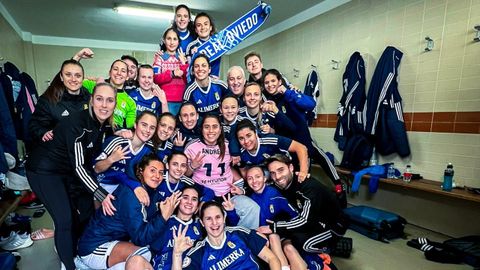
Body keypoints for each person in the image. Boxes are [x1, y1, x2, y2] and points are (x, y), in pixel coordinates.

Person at [26, 83, 116, 270]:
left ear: (115, 104)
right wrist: (101, 194)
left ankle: (76, 253)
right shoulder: (78, 124)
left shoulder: (102, 125)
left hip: (65, 171)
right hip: (44, 171)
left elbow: (86, 160)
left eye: (110, 100)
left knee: (84, 213)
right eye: (99, 99)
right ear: (91, 100)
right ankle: (68, 265)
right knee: (64, 219)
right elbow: (79, 167)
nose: (104, 105)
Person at [77, 154, 180, 269]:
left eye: (161, 173)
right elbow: (140, 238)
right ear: (141, 171)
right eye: (152, 170)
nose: (157, 176)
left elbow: (148, 227)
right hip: (93, 247)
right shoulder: (130, 194)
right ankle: (83, 266)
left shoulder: (151, 193)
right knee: (141, 256)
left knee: (143, 255)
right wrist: (163, 217)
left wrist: (162, 213)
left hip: (113, 242)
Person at [263, 69, 346, 206]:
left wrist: (288, 92)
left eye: (273, 81)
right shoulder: (271, 102)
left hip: (304, 142)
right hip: (290, 148)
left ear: (279, 81)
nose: (270, 84)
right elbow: (280, 126)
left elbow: (310, 104)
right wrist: (270, 128)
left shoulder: (289, 93)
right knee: (298, 179)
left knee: (320, 160)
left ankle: (338, 187)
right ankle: (301, 206)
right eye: (266, 82)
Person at [28, 59, 90, 241]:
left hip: (78, 165)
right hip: (54, 168)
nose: (73, 79)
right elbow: (33, 125)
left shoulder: (88, 97)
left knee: (82, 213)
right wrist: (43, 132)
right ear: (61, 77)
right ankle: (65, 254)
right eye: (68, 75)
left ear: (83, 78)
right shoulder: (50, 99)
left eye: (77, 75)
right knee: (64, 217)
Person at [260, 154, 347, 269]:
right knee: (288, 238)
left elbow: (305, 220)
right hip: (314, 221)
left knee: (302, 244)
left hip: (333, 226)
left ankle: (331, 248)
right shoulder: (281, 184)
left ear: (291, 168)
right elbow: (263, 187)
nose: (278, 177)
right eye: (273, 173)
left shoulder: (308, 187)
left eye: (281, 170)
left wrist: (274, 227)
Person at [185, 114, 260, 229]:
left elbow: (237, 168)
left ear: (220, 129)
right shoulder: (192, 147)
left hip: (228, 192)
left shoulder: (228, 145)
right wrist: (192, 166)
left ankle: (245, 242)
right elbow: (185, 175)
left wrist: (241, 188)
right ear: (201, 129)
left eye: (215, 127)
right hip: (204, 193)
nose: (211, 131)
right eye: (207, 127)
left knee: (253, 208)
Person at [172, 201, 281, 270]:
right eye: (208, 219)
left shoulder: (240, 233)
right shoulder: (198, 253)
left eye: (218, 217)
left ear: (224, 218)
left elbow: (272, 258)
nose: (214, 223)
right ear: (202, 223)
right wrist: (177, 254)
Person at [94, 111, 157, 207]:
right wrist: (111, 159)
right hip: (101, 185)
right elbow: (96, 169)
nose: (148, 130)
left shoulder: (149, 150)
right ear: (135, 125)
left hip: (123, 188)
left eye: (152, 128)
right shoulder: (118, 141)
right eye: (144, 125)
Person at [235, 119, 310, 182]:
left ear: (256, 133)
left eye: (249, 135)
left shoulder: (269, 140)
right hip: (268, 174)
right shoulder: (239, 152)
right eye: (241, 138)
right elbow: (244, 170)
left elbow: (301, 148)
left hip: (286, 168)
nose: (246, 141)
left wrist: (303, 172)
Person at [151, 186, 203, 270]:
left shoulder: (200, 226)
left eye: (194, 199)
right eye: (185, 197)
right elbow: (154, 247)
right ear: (178, 201)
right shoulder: (165, 221)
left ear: (197, 207)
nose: (189, 202)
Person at [83, 59, 137, 130]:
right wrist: (96, 79)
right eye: (115, 69)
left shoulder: (130, 102)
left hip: (114, 135)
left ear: (127, 77)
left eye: (123, 71)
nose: (119, 73)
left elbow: (130, 129)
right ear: (110, 72)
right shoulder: (96, 86)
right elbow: (73, 81)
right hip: (90, 129)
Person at [153, 28, 188, 115]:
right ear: (164, 41)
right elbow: (155, 78)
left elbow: (188, 80)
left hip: (182, 100)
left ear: (178, 42)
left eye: (175, 39)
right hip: (165, 100)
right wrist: (172, 73)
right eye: (169, 39)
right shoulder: (159, 58)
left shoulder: (183, 58)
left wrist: (184, 63)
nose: (172, 42)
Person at [185, 12, 222, 77]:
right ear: (196, 30)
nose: (202, 27)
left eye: (205, 24)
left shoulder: (217, 43)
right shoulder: (191, 47)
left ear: (210, 27)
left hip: (214, 81)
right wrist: (194, 57)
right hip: (196, 82)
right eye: (199, 25)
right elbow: (189, 71)